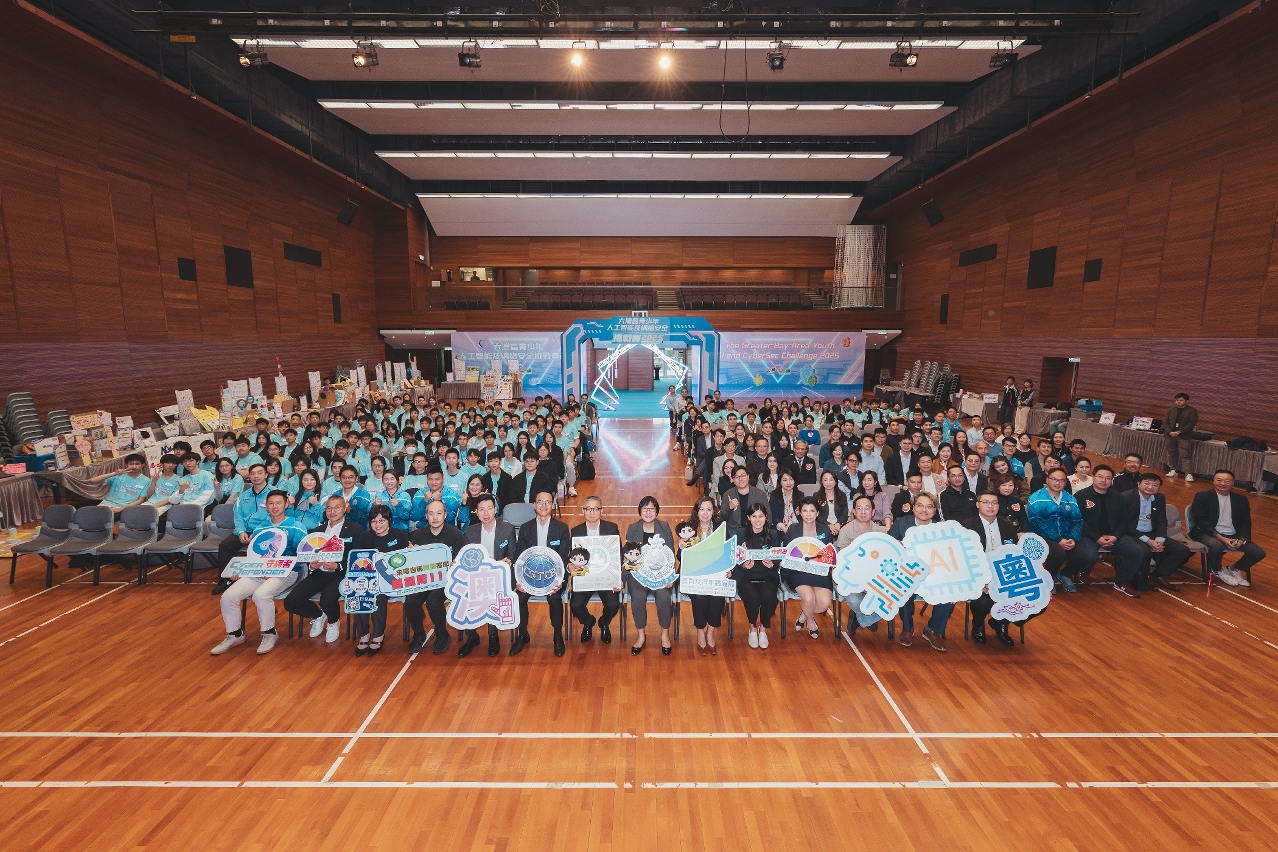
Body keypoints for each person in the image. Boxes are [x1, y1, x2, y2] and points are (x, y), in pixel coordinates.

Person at [210, 490, 309, 656]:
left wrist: (275, 569)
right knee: (228, 596)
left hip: (286, 572)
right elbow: (254, 554)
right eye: (271, 503)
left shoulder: (297, 527)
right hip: (259, 571)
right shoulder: (260, 528)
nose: (274, 506)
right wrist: (242, 571)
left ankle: (269, 633)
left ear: (286, 504)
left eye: (278, 503)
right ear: (266, 506)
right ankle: (235, 634)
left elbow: (302, 555)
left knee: (261, 595)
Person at [284, 494, 366, 646]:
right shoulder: (318, 530)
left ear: (345, 508)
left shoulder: (356, 530)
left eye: (337, 508)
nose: (332, 512)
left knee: (327, 598)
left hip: (342, 574)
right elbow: (309, 554)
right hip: (319, 573)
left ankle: (333, 622)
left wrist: (338, 565)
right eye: (329, 508)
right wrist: (312, 565)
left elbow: (358, 557)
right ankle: (318, 615)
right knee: (291, 602)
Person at [887, 493, 952, 650]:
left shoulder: (941, 529)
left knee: (951, 593)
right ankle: (907, 629)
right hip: (907, 574)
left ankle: (932, 630)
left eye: (929, 507)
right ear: (913, 507)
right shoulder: (901, 523)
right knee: (902, 588)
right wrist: (897, 547)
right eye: (920, 506)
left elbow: (949, 556)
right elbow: (887, 548)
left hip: (934, 575)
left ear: (935, 510)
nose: (924, 510)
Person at [511, 491, 572, 657]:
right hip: (530, 576)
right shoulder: (525, 528)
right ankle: (523, 634)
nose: (544, 506)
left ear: (553, 505)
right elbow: (520, 556)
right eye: (540, 502)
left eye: (547, 502)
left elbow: (564, 557)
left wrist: (559, 581)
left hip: (554, 577)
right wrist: (520, 580)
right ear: (534, 505)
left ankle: (557, 636)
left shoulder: (561, 528)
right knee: (519, 596)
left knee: (555, 598)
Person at [460, 493, 518, 658]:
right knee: (463, 593)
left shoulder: (507, 529)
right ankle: (472, 636)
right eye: (481, 510)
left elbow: (513, 553)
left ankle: (493, 636)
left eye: (489, 509)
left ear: (495, 510)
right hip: (477, 577)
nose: (486, 513)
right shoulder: (470, 531)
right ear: (476, 512)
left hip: (500, 576)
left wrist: (509, 560)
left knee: (493, 593)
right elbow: (466, 558)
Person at [406, 499, 467, 655]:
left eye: (439, 513)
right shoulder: (417, 535)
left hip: (446, 580)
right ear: (426, 516)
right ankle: (419, 634)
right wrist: (412, 553)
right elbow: (410, 564)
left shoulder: (456, 535)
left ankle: (442, 634)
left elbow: (461, 562)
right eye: (431, 514)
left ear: (445, 515)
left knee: (433, 601)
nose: (435, 517)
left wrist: (454, 564)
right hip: (423, 580)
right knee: (411, 601)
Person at [350, 503, 410, 657]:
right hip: (370, 578)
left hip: (393, 579)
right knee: (359, 593)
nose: (378, 525)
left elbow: (406, 560)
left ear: (389, 521)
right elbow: (359, 560)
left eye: (381, 521)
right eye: (374, 521)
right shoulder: (365, 537)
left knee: (377, 596)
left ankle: (378, 636)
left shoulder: (399, 535)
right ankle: (363, 635)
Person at [1115, 472, 1191, 595]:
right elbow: (1125, 525)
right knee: (1144, 551)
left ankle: (1158, 575)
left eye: (1155, 485)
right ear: (1138, 484)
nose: (1150, 487)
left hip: (1152, 533)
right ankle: (1145, 576)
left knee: (1182, 550)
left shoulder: (1159, 498)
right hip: (1131, 534)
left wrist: (1159, 540)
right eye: (1147, 483)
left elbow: (1161, 521)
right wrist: (1149, 541)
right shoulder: (1126, 497)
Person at [1188, 470, 1266, 588]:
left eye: (1227, 481)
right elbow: (1201, 520)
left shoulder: (1241, 499)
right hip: (1208, 533)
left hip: (1233, 536)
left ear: (1233, 483)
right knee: (1216, 546)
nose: (1223, 483)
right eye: (1219, 480)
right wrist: (1221, 538)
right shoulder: (1202, 496)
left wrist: (1241, 539)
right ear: (1214, 481)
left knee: (1258, 552)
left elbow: (1246, 522)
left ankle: (1234, 569)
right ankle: (1217, 570)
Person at [962, 491, 1020, 646]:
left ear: (999, 506)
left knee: (1031, 599)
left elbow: (1015, 554)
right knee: (984, 601)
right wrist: (982, 580)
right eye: (986, 502)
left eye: (994, 503)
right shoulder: (967, 527)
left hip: (1004, 574)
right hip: (977, 573)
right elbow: (963, 559)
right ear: (977, 505)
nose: (990, 506)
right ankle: (978, 624)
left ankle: (1000, 621)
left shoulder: (1008, 526)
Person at [624, 496, 675, 655]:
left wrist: (669, 577)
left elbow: (670, 554)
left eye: (652, 509)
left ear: (657, 511)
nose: (648, 512)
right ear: (640, 511)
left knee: (664, 597)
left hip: (661, 574)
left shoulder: (664, 527)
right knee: (638, 597)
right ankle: (641, 635)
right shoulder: (633, 528)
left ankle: (665, 635)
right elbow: (628, 554)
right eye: (645, 509)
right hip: (639, 574)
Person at [211, 463, 273, 595]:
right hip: (244, 530)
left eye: (259, 473)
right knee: (225, 546)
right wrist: (241, 531)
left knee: (263, 547)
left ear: (266, 475)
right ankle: (226, 579)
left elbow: (274, 516)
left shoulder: (274, 494)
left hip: (266, 531)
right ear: (249, 477)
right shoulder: (244, 495)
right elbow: (238, 515)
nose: (256, 476)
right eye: (252, 474)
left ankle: (259, 580)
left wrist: (257, 533)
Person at [568, 496, 622, 645]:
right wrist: (570, 566)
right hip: (585, 578)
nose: (592, 512)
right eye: (588, 509)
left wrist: (618, 578)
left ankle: (604, 623)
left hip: (606, 577)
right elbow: (570, 556)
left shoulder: (611, 528)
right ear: (583, 511)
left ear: (601, 511)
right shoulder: (576, 531)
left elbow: (618, 555)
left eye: (596, 509)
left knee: (613, 604)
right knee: (575, 605)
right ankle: (588, 621)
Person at [1027, 468, 1088, 593]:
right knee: (1058, 553)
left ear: (1065, 483)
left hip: (1067, 536)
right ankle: (1048, 579)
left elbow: (1077, 521)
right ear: (1047, 480)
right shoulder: (1036, 498)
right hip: (1043, 535)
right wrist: (1059, 539)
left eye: (1061, 480)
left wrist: (1073, 538)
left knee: (1083, 555)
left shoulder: (1070, 499)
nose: (1057, 483)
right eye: (1054, 479)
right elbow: (1037, 523)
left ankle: (1065, 574)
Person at [782, 497, 834, 640]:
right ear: (799, 512)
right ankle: (810, 620)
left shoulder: (825, 530)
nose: (808, 514)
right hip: (797, 571)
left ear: (817, 513)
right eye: (805, 510)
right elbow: (786, 552)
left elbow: (829, 554)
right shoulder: (793, 529)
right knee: (809, 598)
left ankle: (804, 615)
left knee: (824, 603)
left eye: (812, 511)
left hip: (819, 572)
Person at [836, 495, 887, 638]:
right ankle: (867, 617)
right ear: (853, 511)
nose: (863, 512)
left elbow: (885, 561)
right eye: (859, 508)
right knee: (854, 600)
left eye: (867, 508)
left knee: (892, 601)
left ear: (873, 512)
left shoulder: (881, 532)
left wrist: (872, 583)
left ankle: (859, 618)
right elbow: (845, 563)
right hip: (852, 577)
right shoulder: (846, 531)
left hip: (877, 578)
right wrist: (862, 583)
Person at [734, 504, 780, 650]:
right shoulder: (740, 534)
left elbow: (778, 557)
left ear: (766, 517)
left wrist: (772, 564)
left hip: (767, 575)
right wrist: (743, 564)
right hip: (746, 575)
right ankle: (752, 628)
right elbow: (734, 558)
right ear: (749, 518)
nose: (758, 520)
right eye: (754, 516)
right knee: (752, 596)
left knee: (768, 595)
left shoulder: (773, 534)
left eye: (761, 516)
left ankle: (763, 629)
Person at [684, 498, 726, 655]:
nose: (705, 513)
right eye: (702, 509)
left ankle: (710, 632)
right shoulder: (688, 529)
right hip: (694, 575)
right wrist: (683, 546)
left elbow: (728, 553)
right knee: (700, 596)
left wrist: (728, 570)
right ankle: (700, 632)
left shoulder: (721, 529)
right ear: (697, 511)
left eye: (709, 509)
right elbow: (680, 557)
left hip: (715, 573)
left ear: (714, 511)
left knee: (717, 596)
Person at [1075, 465, 1127, 589]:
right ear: (1093, 477)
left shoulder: (1118, 497)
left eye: (1108, 478)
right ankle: (1085, 571)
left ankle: (1123, 580)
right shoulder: (1081, 496)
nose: (1104, 480)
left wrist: (1115, 536)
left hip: (1113, 536)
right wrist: (1097, 537)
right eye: (1100, 477)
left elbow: (1123, 520)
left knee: (1137, 550)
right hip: (1088, 536)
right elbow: (1079, 521)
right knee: (1091, 555)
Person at [723, 465, 771, 536]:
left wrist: (761, 531)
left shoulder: (760, 494)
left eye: (743, 476)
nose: (740, 479)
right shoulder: (728, 495)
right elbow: (723, 518)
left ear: (748, 477)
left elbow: (768, 516)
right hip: (734, 531)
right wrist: (729, 508)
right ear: (732, 480)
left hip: (756, 530)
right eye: (736, 477)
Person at [1162, 393, 1199, 480]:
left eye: (1181, 400)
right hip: (1170, 435)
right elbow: (1165, 422)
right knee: (1171, 453)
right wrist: (1170, 431)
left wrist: (1179, 432)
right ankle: (1173, 470)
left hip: (1184, 436)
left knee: (1185, 455)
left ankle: (1188, 474)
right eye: (1177, 400)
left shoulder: (1192, 411)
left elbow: (1191, 424)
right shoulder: (1171, 410)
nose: (1178, 402)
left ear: (1186, 401)